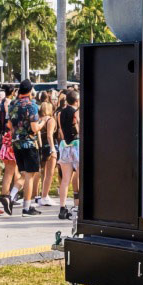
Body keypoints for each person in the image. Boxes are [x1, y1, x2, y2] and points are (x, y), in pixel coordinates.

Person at [8, 81, 44, 216]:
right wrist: (43, 123)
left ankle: (10, 197)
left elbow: (9, 124)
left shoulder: (12, 105)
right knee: (30, 175)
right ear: (30, 91)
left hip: (16, 143)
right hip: (29, 143)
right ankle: (27, 207)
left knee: (23, 173)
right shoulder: (32, 106)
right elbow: (34, 128)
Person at [57, 89, 80, 220]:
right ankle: (80, 206)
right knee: (80, 176)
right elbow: (77, 128)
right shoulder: (76, 112)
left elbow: (61, 130)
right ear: (76, 101)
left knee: (65, 179)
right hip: (76, 145)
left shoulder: (60, 113)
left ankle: (62, 208)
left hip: (65, 145)